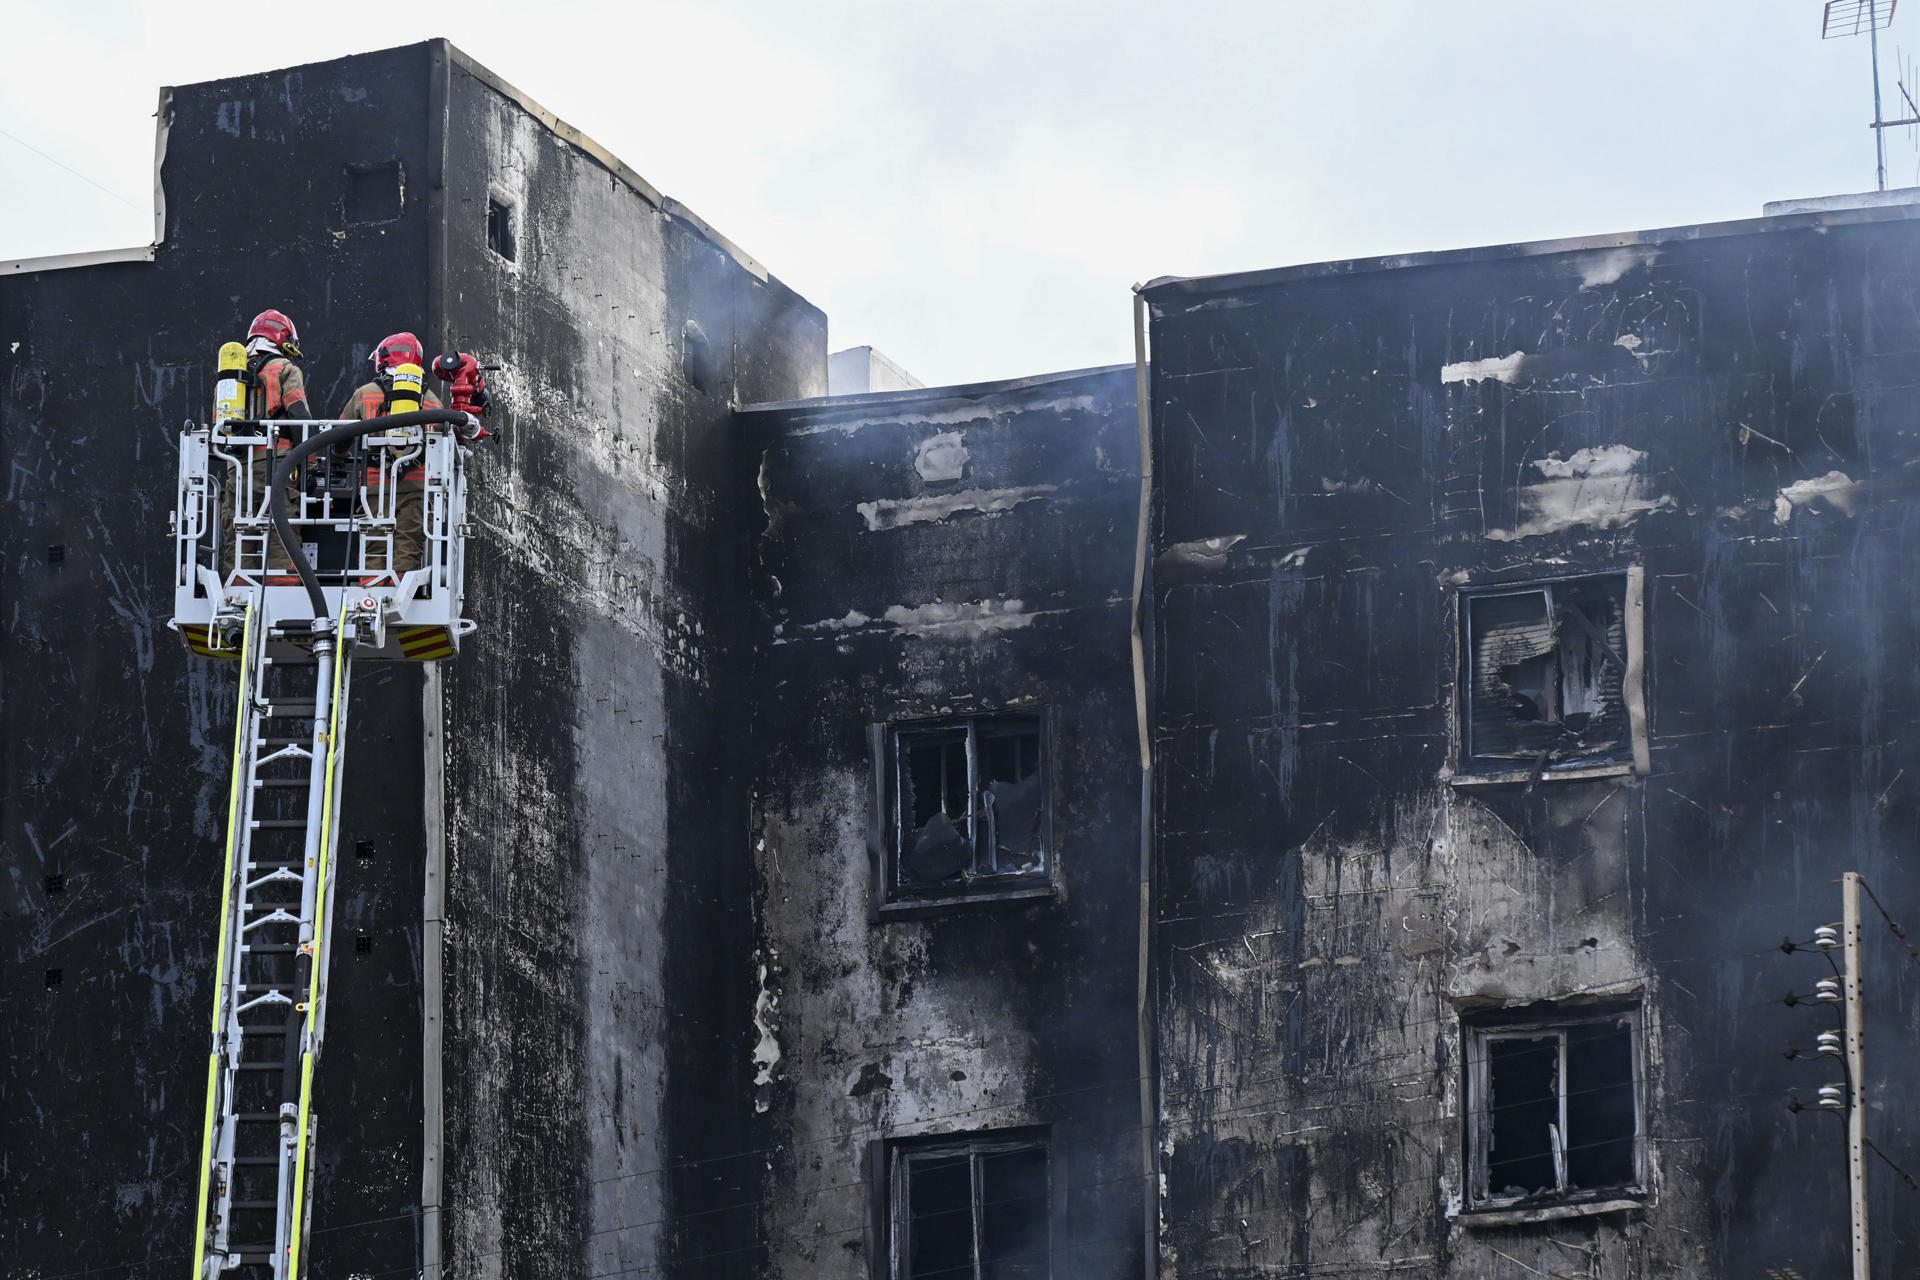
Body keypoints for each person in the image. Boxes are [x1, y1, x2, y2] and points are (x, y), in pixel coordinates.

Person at [337, 332, 442, 576]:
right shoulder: (429, 398)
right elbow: (440, 434)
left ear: (384, 358)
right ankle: (399, 594)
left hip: (375, 485)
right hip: (415, 485)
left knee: (374, 542)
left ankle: (371, 594)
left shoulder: (365, 393)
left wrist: (338, 458)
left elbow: (341, 434)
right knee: (408, 542)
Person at [233, 309, 310, 574]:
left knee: (238, 532)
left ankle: (237, 590)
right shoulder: (286, 369)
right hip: (275, 464)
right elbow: (299, 416)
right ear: (283, 340)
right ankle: (283, 587)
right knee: (281, 529)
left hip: (237, 466)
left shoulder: (231, 374)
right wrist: (308, 465)